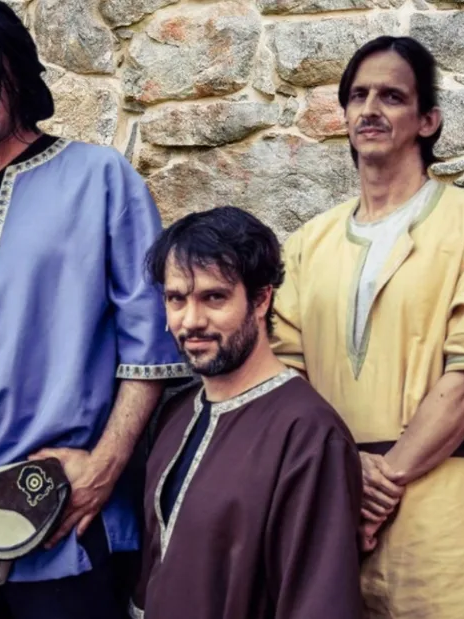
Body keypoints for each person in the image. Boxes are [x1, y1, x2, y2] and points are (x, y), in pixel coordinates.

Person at [0, 1, 190, 617]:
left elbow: (151, 346)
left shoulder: (101, 179)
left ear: (15, 70)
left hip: (66, 519)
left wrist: (104, 467)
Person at [272, 36, 464, 618]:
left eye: (392, 96)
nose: (370, 109)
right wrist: (345, 474)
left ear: (427, 120)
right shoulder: (307, 245)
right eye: (358, 96)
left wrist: (378, 483)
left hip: (440, 511)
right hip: (330, 509)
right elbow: (283, 380)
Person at [128, 207, 363, 619]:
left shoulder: (308, 435)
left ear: (260, 299)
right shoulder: (176, 416)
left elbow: (318, 600)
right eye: (176, 299)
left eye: (214, 297)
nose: (191, 321)